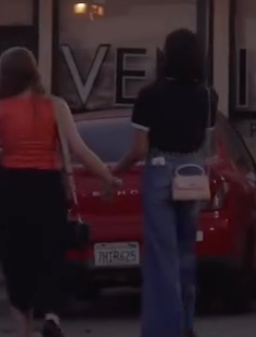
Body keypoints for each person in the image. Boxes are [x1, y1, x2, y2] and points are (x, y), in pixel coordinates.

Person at [0, 48, 118, 337]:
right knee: (51, 254)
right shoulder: (56, 106)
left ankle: (23, 329)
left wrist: (8, 151)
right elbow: (78, 149)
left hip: (12, 189)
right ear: (34, 72)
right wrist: (107, 175)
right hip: (47, 188)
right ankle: (51, 315)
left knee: (17, 263)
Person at [113, 29, 218, 337]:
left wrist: (117, 170)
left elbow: (139, 148)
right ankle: (186, 325)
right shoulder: (207, 95)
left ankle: (163, 329)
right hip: (192, 171)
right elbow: (207, 144)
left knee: (162, 256)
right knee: (187, 252)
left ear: (166, 57)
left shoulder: (150, 95)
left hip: (159, 169)